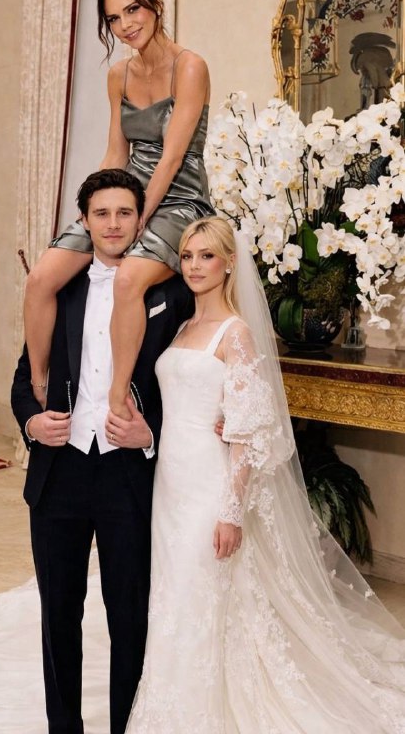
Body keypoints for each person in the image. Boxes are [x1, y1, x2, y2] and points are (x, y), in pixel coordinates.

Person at [125, 216, 405, 733]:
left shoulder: (236, 333)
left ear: (230, 263)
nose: (194, 266)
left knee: (199, 587)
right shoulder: (182, 327)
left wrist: (232, 512)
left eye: (207, 256)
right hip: (170, 482)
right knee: (173, 590)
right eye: (187, 256)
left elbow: (252, 432)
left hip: (209, 485)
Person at [11, 168, 193, 734]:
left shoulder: (170, 295)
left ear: (141, 221)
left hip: (127, 477)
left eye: (124, 213)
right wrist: (32, 421)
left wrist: (150, 433)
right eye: (101, 214)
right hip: (58, 475)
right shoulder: (57, 290)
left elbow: (189, 389)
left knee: (129, 615)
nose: (113, 224)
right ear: (84, 222)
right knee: (58, 614)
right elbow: (23, 377)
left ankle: (126, 727)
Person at [24, 0, 212, 421]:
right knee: (41, 277)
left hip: (179, 199)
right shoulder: (118, 76)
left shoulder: (190, 67)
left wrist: (138, 215)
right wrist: (93, 205)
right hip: (128, 198)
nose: (125, 25)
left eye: (133, 9)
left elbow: (171, 157)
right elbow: (115, 153)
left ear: (155, 3)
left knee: (127, 278)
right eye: (114, 18)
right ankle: (41, 384)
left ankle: (117, 395)